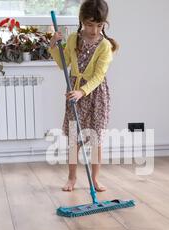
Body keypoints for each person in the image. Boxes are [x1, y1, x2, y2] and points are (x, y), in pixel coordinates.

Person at [49, 0, 118, 192]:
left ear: (104, 24)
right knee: (74, 139)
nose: (94, 30)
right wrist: (53, 46)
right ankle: (71, 178)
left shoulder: (104, 46)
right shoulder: (73, 40)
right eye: (89, 24)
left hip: (95, 95)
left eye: (99, 25)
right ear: (81, 21)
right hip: (74, 94)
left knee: (96, 139)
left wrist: (83, 91)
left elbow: (98, 76)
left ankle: (95, 179)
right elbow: (63, 64)